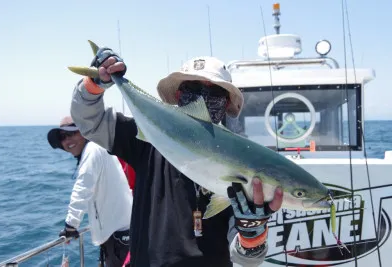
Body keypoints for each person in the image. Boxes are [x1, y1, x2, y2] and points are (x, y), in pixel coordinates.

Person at [70, 46, 283, 267]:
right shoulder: (148, 139)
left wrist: (252, 237)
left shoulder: (246, 165)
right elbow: (89, 121)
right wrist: (95, 84)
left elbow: (245, 260)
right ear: (179, 95)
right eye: (192, 88)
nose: (203, 97)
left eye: (215, 92)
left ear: (226, 103)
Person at [47, 116, 133, 267]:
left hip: (119, 237)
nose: (67, 141)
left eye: (72, 133)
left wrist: (71, 226)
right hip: (120, 235)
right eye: (63, 137)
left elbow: (83, 187)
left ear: (84, 132)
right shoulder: (97, 149)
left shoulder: (92, 150)